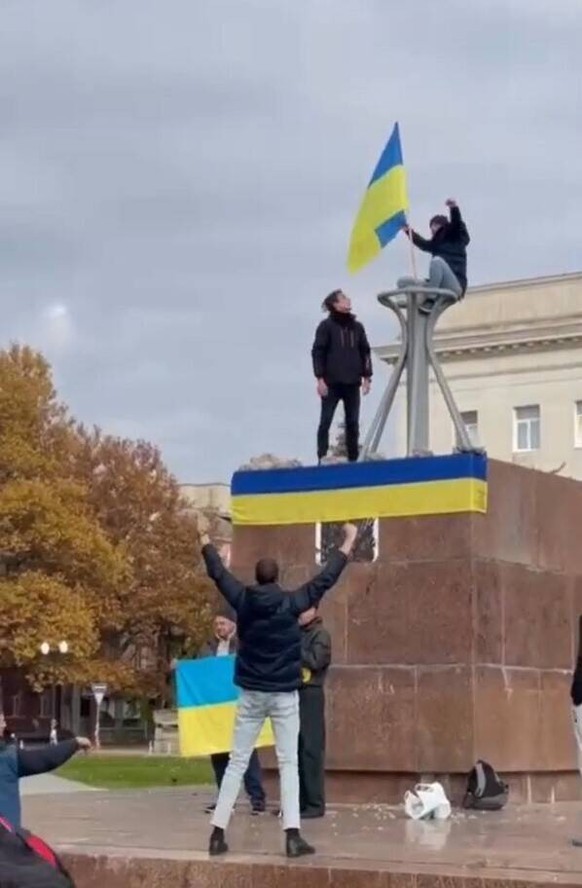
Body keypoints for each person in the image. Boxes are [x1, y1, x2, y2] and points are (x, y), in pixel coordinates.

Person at [198, 517, 358, 858]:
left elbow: (217, 572)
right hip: (284, 695)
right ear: (277, 578)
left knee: (237, 761)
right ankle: (292, 837)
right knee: (288, 763)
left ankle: (217, 833)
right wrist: (348, 541)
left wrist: (203, 537)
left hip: (251, 694)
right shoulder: (292, 602)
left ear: (257, 577)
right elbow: (327, 579)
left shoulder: (242, 600)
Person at [199, 613, 267, 815]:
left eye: (222, 623)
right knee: (219, 755)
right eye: (216, 624)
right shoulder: (207, 647)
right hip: (216, 710)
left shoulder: (244, 644)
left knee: (246, 753)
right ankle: (224, 799)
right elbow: (198, 670)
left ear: (233, 624)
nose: (219, 627)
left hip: (240, 707)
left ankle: (257, 799)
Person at [311, 290, 372, 464]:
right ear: (336, 304)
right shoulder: (326, 326)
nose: (348, 300)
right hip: (332, 383)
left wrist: (367, 377)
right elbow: (318, 352)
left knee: (352, 423)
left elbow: (365, 351)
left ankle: (353, 459)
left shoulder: (357, 327)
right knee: (326, 421)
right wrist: (320, 378)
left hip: (352, 382)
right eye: (343, 298)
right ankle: (322, 456)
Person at [0, 714, 91, 828]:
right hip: (5, 837)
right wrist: (74, 743)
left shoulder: (8, 755)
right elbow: (44, 759)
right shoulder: (7, 758)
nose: (4, 725)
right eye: (1, 721)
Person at [401, 199, 470, 312]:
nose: (432, 229)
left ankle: (430, 300)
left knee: (437, 261)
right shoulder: (435, 244)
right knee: (403, 282)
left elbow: (456, 223)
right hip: (440, 285)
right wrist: (408, 231)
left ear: (442, 226)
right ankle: (415, 303)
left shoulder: (455, 238)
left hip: (455, 285)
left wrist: (453, 208)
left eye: (434, 225)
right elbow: (422, 243)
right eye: (431, 226)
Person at [298, 606, 331, 819]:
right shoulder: (296, 633)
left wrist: (293, 649)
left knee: (311, 749)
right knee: (296, 750)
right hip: (294, 693)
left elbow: (316, 661)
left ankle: (314, 803)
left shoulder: (321, 634)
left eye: (304, 610)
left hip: (310, 694)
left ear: (314, 611)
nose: (300, 614)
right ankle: (298, 802)